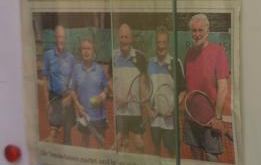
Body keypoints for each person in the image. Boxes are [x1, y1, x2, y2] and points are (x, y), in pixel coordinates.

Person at [183, 14, 230, 162]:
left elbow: (223, 88)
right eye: (194, 31)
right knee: (196, 162)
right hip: (191, 119)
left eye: (200, 30)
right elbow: (187, 87)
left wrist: (217, 117)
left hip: (211, 121)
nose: (197, 34)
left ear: (207, 31)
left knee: (212, 162)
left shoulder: (218, 52)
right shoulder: (189, 54)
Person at [143, 26, 184, 157]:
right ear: (155, 43)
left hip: (170, 121)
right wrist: (148, 109)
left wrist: (173, 107)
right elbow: (144, 89)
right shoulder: (149, 63)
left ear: (168, 43)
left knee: (173, 153)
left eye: (164, 42)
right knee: (156, 151)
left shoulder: (175, 63)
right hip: (154, 120)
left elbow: (183, 91)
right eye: (158, 42)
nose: (161, 46)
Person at [112, 23, 147, 152]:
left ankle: (142, 163)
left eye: (126, 37)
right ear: (118, 39)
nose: (124, 40)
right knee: (122, 142)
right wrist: (117, 98)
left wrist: (144, 103)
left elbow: (143, 84)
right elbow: (110, 82)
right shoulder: (113, 57)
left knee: (139, 143)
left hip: (135, 111)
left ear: (131, 39)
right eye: (121, 37)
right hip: (120, 111)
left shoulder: (140, 57)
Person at [69, 37, 109, 148]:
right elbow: (72, 89)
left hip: (99, 116)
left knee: (101, 144)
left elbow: (106, 88)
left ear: (93, 51)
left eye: (89, 49)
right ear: (81, 51)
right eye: (84, 49)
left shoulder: (99, 69)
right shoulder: (76, 69)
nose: (86, 51)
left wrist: (102, 96)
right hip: (84, 115)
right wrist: (77, 105)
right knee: (84, 142)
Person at [41, 24, 76, 144]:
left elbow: (74, 81)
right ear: (55, 38)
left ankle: (67, 149)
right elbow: (45, 79)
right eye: (58, 37)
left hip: (67, 98)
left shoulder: (71, 58)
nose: (60, 39)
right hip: (54, 98)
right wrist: (47, 101)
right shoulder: (48, 55)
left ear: (65, 39)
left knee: (67, 131)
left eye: (62, 37)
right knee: (53, 132)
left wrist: (69, 98)